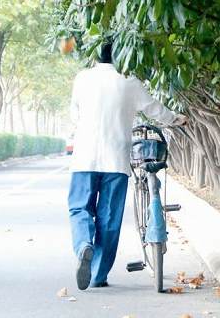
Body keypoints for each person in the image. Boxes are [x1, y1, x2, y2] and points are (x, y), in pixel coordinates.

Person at [68, 38, 186, 290]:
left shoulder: (82, 79)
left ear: (94, 55)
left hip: (84, 158)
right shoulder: (129, 82)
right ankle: (98, 275)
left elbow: (74, 115)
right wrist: (175, 119)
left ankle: (83, 246)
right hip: (116, 159)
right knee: (109, 218)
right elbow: (154, 109)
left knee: (80, 208)